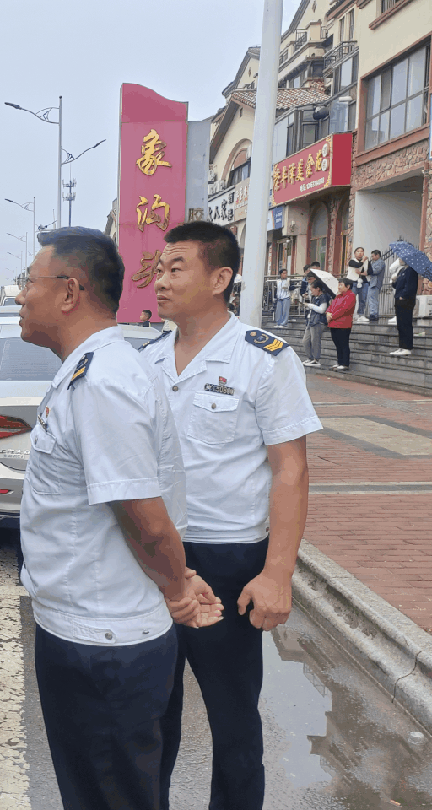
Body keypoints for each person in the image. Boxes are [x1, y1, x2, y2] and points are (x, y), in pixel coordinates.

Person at [15, 227, 222, 810]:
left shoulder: (103, 381)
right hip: (89, 629)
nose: (20, 294)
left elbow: (145, 519)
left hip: (102, 646)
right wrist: (176, 580)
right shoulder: (91, 370)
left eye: (30, 281)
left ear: (69, 292)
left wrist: (178, 585)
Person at [144, 220, 321, 810]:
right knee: (150, 714)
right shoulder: (144, 361)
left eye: (176, 268)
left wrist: (277, 574)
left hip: (226, 558)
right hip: (155, 558)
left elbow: (290, 470)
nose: (160, 281)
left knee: (233, 720)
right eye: (159, 269)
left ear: (220, 278)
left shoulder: (263, 361)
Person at [391, 258, 419, 357]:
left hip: (406, 300)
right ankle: (402, 346)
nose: (400, 259)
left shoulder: (412, 270)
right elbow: (397, 286)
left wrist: (403, 296)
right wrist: (394, 281)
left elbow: (410, 286)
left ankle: (407, 347)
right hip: (399, 299)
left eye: (402, 257)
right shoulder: (402, 270)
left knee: (405, 323)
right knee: (400, 325)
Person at [327, 278, 356, 371]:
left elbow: (345, 310)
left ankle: (345, 363)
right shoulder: (338, 296)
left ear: (347, 286)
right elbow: (331, 306)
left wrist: (332, 316)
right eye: (338, 285)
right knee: (337, 343)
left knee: (343, 343)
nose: (339, 287)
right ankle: (339, 362)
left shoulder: (350, 296)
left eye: (341, 285)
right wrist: (328, 313)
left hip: (343, 323)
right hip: (334, 323)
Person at [303, 280, 329, 368]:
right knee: (305, 340)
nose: (311, 292)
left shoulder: (323, 297)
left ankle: (316, 359)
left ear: (318, 289)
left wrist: (311, 306)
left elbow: (322, 310)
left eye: (312, 289)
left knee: (315, 340)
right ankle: (310, 357)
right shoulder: (314, 298)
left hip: (318, 321)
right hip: (311, 320)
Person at [347, 247, 371, 322]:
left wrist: (362, 273)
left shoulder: (367, 261)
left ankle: (361, 314)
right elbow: (358, 265)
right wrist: (363, 260)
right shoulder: (351, 261)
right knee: (352, 299)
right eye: (358, 251)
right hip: (353, 282)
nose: (360, 253)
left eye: (362, 251)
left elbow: (370, 271)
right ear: (354, 253)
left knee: (363, 299)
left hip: (364, 282)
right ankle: (350, 315)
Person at [367, 249, 386, 322]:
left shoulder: (380, 262)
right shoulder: (374, 262)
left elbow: (375, 271)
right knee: (372, 299)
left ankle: (373, 314)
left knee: (373, 299)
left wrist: (368, 266)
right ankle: (374, 313)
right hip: (372, 283)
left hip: (375, 283)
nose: (371, 257)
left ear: (377, 255)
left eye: (373, 256)